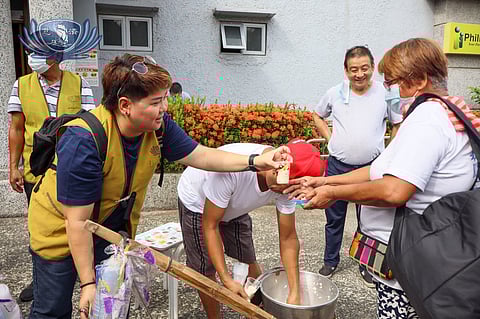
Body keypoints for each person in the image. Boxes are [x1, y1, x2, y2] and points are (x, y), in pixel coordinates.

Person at [26, 53, 291, 319]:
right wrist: (87, 283)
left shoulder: (157, 128)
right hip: (60, 232)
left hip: (109, 233)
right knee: (53, 310)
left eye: (164, 98)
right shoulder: (84, 139)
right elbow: (77, 222)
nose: (165, 107)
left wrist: (256, 160)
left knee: (112, 310)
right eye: (156, 101)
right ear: (125, 105)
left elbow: (202, 156)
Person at [290, 38, 480, 318]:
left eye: (394, 83)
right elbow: (378, 169)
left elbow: (393, 190)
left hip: (414, 264)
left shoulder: (428, 118)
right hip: (421, 256)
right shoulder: (445, 111)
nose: (390, 90)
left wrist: (333, 194)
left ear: (418, 81)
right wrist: (326, 181)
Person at [177, 141, 323, 318]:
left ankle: (254, 310)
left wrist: (295, 294)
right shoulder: (233, 172)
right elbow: (210, 226)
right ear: (278, 169)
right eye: (284, 188)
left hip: (236, 204)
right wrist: (226, 279)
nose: (283, 193)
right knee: (206, 268)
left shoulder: (287, 183)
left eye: (290, 191)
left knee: (247, 256)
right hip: (198, 203)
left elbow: (288, 238)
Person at [7, 51, 95, 302]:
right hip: (36, 170)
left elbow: (91, 123)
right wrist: (14, 166)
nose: (31, 57)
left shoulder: (79, 83)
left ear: (55, 57)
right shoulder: (21, 85)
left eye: (38, 54)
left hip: (71, 168)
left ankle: (81, 274)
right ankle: (42, 279)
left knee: (77, 221)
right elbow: (16, 127)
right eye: (30, 52)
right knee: (41, 229)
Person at [311, 45, 403, 285]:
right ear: (346, 70)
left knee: (370, 220)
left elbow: (397, 124)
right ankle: (330, 261)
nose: (359, 74)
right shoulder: (335, 93)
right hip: (338, 165)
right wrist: (330, 139)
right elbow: (317, 115)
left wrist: (390, 154)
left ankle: (366, 262)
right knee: (334, 218)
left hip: (371, 168)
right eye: (354, 70)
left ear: (373, 67)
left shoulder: (386, 94)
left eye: (364, 68)